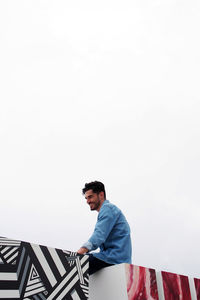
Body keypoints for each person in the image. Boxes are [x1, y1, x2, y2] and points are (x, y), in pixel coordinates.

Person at [77, 181, 132, 275]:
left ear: (101, 195)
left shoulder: (108, 209)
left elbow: (98, 235)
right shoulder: (109, 210)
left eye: (90, 197)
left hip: (114, 258)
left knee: (76, 263)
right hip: (114, 258)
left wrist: (81, 251)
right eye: (86, 198)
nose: (87, 201)